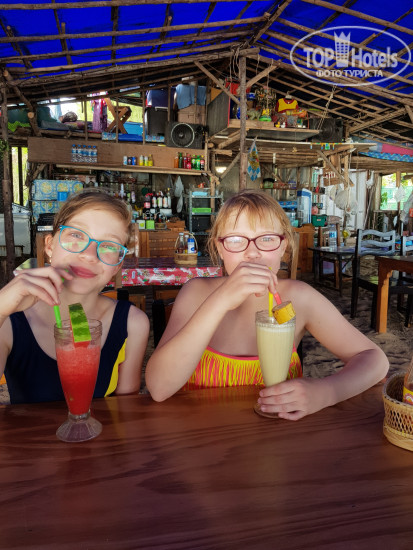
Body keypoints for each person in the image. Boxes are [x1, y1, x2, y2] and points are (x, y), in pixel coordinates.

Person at [145, 189, 389, 420]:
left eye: (267, 238)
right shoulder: (196, 293)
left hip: (277, 435)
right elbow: (158, 387)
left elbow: (375, 360)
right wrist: (219, 302)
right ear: (220, 248)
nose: (252, 253)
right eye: (236, 240)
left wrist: (327, 392)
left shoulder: (299, 298)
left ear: (283, 246)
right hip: (199, 435)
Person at [0, 190, 149, 404]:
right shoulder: (9, 321)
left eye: (109, 245)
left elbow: (126, 408)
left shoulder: (132, 323)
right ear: (50, 246)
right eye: (77, 235)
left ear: (117, 265)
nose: (89, 255)